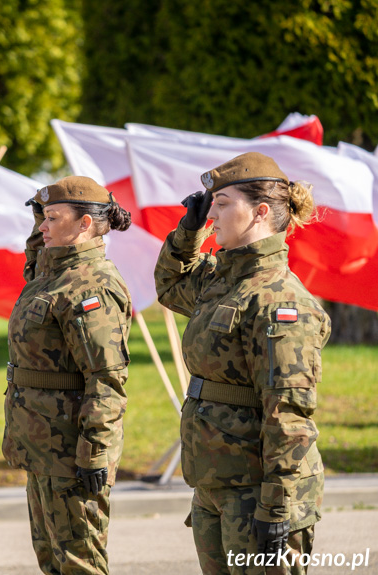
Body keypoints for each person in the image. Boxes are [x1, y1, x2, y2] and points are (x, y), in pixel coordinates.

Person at [154, 152, 329, 574]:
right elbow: (170, 284)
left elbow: (288, 414)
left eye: (224, 202)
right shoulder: (221, 280)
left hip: (257, 491)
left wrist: (278, 508)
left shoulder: (280, 300)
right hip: (217, 481)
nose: (211, 210)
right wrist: (188, 230)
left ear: (261, 212)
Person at [2, 176, 132, 575]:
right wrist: (41, 217)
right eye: (41, 217)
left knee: (79, 565)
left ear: (85, 225)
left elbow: (106, 379)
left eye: (53, 218)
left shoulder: (92, 286)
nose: (42, 226)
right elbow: (36, 254)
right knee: (52, 563)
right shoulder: (52, 276)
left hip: (72, 451)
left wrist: (94, 452)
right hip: (42, 444)